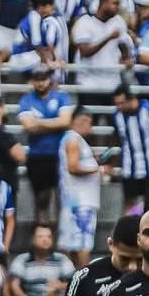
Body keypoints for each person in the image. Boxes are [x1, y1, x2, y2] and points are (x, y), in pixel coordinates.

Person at [17, 66, 72, 224]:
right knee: (40, 199)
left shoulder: (61, 97)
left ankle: (60, 235)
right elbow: (28, 126)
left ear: (50, 79)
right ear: (32, 81)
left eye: (44, 79)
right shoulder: (26, 99)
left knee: (61, 197)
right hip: (37, 155)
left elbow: (66, 121)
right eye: (37, 80)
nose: (41, 83)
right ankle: (40, 233)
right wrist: (55, 123)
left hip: (59, 154)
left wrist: (39, 123)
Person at [58, 106, 104, 268]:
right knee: (82, 245)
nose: (90, 128)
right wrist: (97, 169)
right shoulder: (73, 140)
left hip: (77, 202)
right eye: (89, 123)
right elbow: (73, 167)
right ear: (80, 120)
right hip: (80, 203)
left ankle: (75, 282)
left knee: (74, 244)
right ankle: (83, 282)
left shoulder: (74, 140)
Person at [112, 85, 149, 213]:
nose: (119, 107)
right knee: (129, 201)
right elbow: (118, 137)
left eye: (122, 103)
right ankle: (127, 230)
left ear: (131, 99)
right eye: (117, 104)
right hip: (129, 166)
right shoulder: (116, 116)